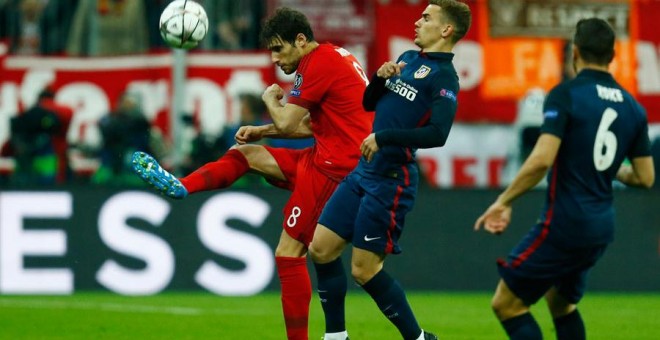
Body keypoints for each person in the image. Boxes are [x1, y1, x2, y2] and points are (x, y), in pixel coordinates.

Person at [131, 7, 373, 340]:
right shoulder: (332, 57)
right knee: (247, 154)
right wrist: (261, 131)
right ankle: (181, 185)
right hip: (325, 156)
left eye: (278, 48)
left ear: (300, 40)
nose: (274, 58)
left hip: (336, 169)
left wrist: (271, 99)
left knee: (289, 252)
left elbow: (288, 121)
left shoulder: (318, 63)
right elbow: (311, 124)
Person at [474, 18, 655, 340]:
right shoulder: (633, 108)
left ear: (575, 52)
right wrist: (609, 168)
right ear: (612, 56)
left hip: (566, 222)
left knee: (507, 304)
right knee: (560, 303)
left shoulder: (565, 95)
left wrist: (504, 201)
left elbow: (541, 160)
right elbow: (645, 178)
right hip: (601, 226)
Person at [307, 1, 472, 339]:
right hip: (364, 172)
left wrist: (384, 137)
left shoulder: (445, 78)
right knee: (320, 248)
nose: (417, 21)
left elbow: (438, 134)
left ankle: (419, 338)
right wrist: (381, 80)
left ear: (446, 30)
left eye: (426, 17)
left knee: (364, 271)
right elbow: (369, 103)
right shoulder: (408, 59)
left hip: (391, 180)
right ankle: (336, 336)